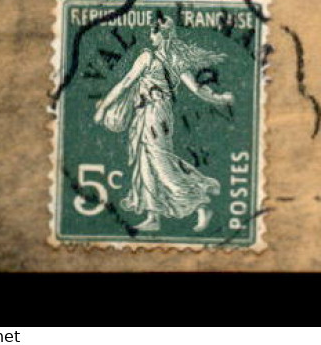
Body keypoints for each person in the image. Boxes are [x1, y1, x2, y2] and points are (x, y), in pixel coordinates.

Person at [93, 14, 233, 233]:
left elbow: (125, 84)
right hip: (155, 114)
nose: (151, 36)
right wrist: (219, 98)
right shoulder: (177, 61)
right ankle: (153, 216)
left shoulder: (147, 57)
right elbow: (197, 90)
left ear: (162, 34)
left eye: (153, 31)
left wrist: (103, 108)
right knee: (146, 162)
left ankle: (201, 205)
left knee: (160, 163)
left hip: (152, 115)